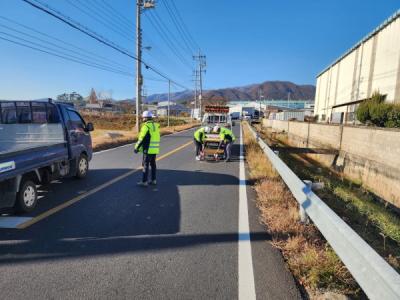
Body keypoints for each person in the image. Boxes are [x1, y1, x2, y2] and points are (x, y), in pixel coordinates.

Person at [134, 111, 160, 187]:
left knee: (145, 165)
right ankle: (153, 180)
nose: (143, 119)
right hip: (154, 149)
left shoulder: (146, 126)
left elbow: (141, 138)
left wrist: (136, 148)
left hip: (147, 149)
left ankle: (144, 181)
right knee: (153, 165)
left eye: (143, 117)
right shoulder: (156, 125)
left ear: (146, 118)